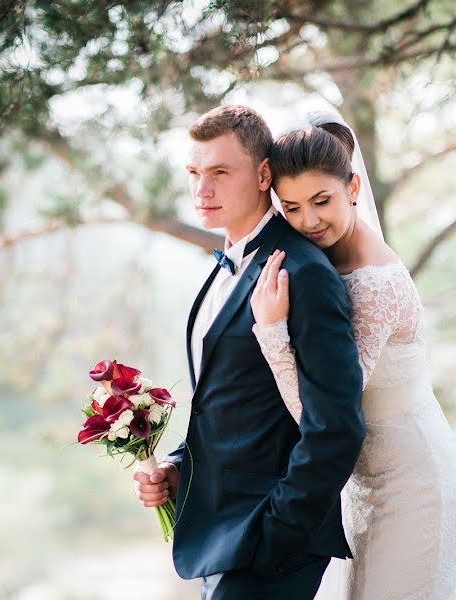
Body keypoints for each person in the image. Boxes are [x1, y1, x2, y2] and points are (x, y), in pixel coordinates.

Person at [133, 105, 365, 599]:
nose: (202, 190)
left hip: (267, 541)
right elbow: (231, 405)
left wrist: (279, 532)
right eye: (194, 173)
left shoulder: (303, 273)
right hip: (220, 534)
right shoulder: (224, 266)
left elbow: (336, 424)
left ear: (264, 174)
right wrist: (177, 466)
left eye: (220, 172)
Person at [249, 112, 456, 599]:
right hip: (359, 484)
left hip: (415, 483)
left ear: (352, 186)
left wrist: (271, 332)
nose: (309, 220)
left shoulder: (374, 283)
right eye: (292, 207)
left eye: (321, 201)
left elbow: (321, 414)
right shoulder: (320, 260)